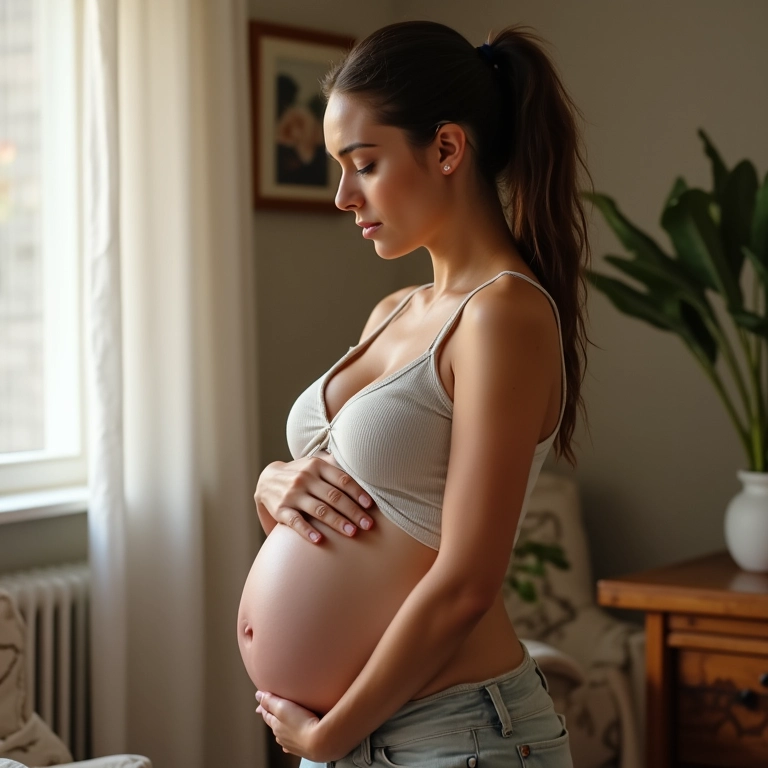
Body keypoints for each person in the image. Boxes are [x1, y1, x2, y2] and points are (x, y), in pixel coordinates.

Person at [241, 18, 592, 768]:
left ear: (446, 149)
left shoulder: (502, 315)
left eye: (364, 164)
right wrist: (275, 487)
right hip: (365, 736)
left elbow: (466, 582)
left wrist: (329, 736)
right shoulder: (392, 311)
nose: (344, 196)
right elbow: (362, 513)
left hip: (453, 736)